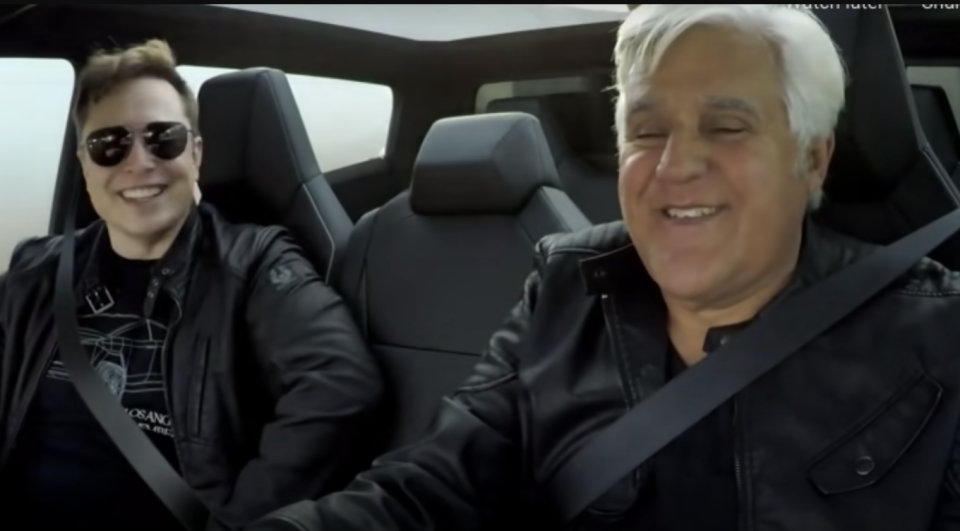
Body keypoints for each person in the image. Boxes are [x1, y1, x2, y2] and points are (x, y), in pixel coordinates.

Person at [248, 5, 960, 531]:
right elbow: (433, 486)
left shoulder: (938, 334)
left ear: (813, 158)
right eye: (647, 131)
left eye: (727, 125)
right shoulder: (566, 286)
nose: (676, 165)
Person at [0, 40, 383, 530]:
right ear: (84, 165)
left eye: (164, 138)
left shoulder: (254, 263)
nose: (138, 162)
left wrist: (239, 523)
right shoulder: (36, 270)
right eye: (109, 144)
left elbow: (341, 384)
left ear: (196, 154)